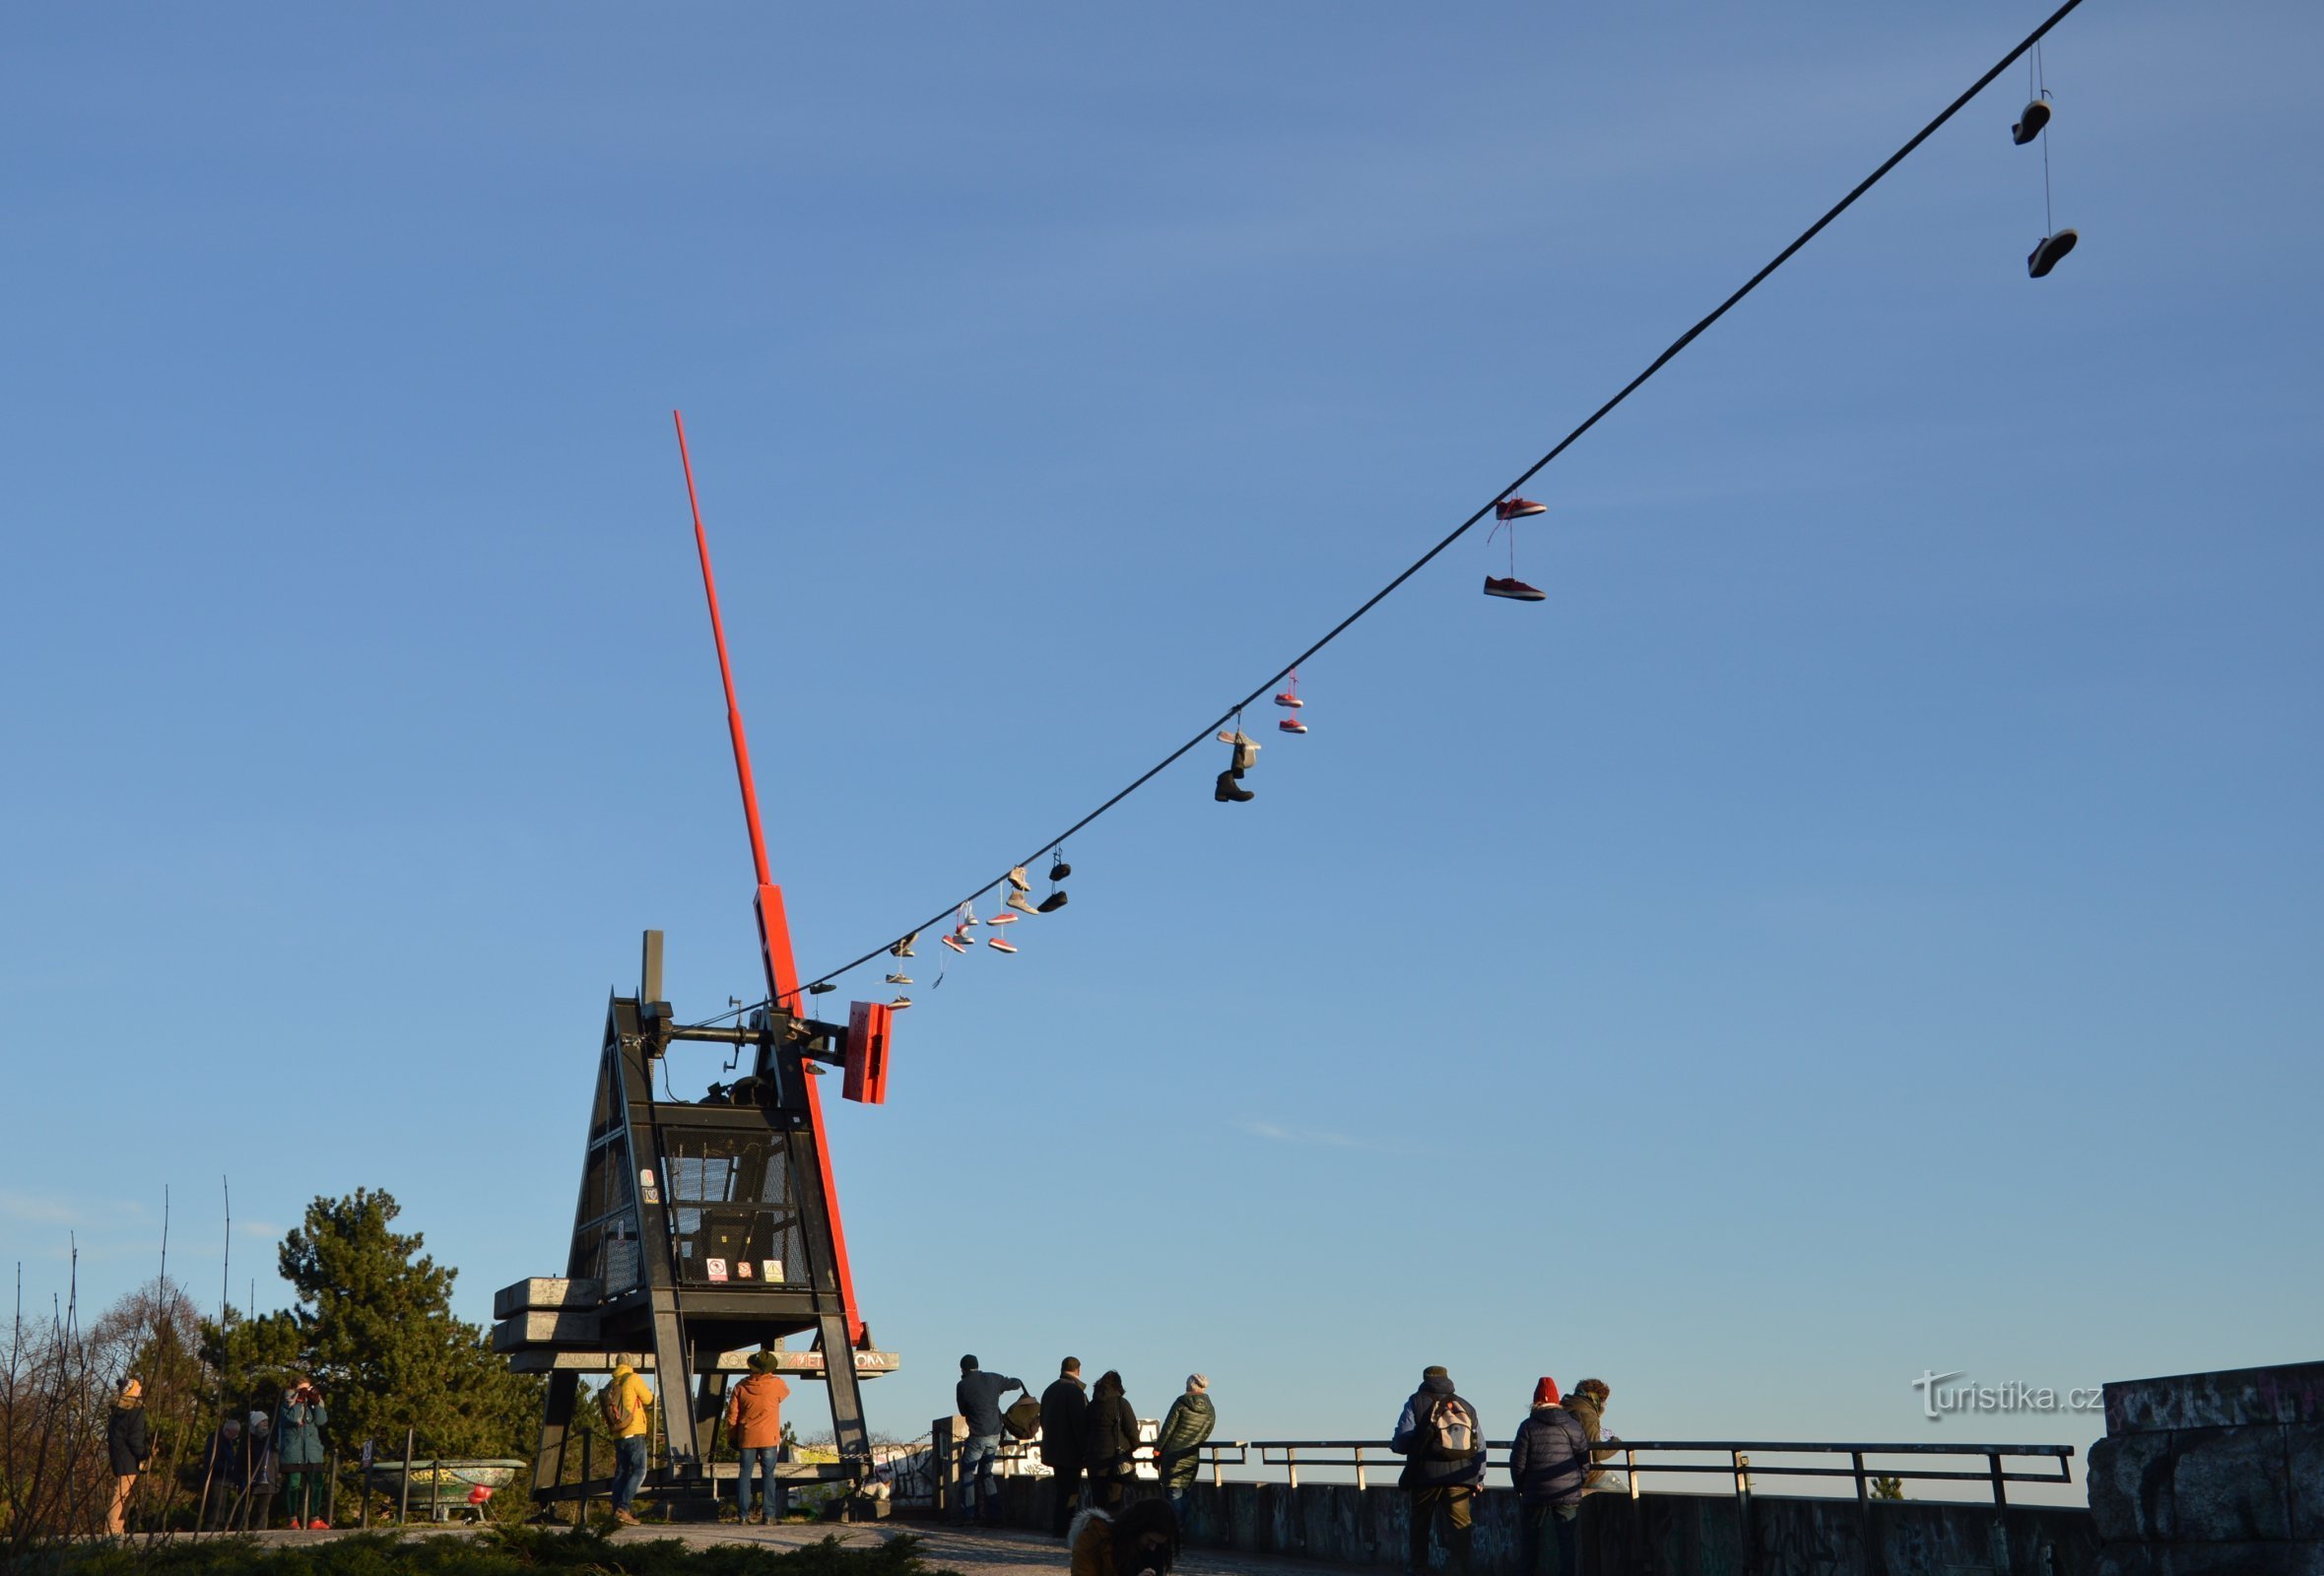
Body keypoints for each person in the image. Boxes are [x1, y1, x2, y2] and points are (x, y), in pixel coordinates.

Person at [1391, 1364, 1487, 1576]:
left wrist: (1398, 1446)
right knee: (1461, 1525)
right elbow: (1479, 1445)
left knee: (1420, 1523)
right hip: (1460, 1476)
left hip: (1425, 1475)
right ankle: (1460, 1568)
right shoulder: (1465, 1405)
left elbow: (1402, 1438)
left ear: (1425, 1378)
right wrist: (1478, 1477)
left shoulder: (1416, 1402)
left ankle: (1419, 1568)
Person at [1508, 1377, 1591, 1575]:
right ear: (1557, 1400)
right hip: (1566, 1491)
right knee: (1566, 1542)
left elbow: (1517, 1462)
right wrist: (1578, 1480)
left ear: (1536, 1401)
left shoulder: (1527, 1426)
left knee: (1530, 1541)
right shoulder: (1572, 1425)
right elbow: (1584, 1459)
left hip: (1535, 1491)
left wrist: (1521, 1487)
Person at [953, 1354, 1026, 1526]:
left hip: (977, 1436)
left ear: (962, 1369)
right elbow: (1016, 1383)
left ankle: (968, 1515)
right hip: (994, 1435)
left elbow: (963, 1411)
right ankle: (996, 1516)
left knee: (967, 1473)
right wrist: (1001, 1389)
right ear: (978, 1366)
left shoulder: (962, 1385)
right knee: (986, 1474)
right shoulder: (992, 1378)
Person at [725, 1351, 792, 1525]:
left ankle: (743, 1516)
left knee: (744, 1475)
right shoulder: (777, 1385)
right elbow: (784, 1394)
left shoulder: (740, 1387)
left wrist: (732, 1436)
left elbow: (732, 1415)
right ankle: (769, 1515)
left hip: (747, 1436)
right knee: (768, 1475)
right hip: (769, 1437)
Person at [1039, 1357, 1091, 1537]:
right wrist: (1085, 1450)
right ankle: (1065, 1530)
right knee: (1070, 1494)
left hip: (1052, 1451)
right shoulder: (1075, 1391)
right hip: (1071, 1453)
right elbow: (1080, 1425)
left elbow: (1042, 1420)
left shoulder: (1050, 1390)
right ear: (1078, 1370)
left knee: (1062, 1491)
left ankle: (1059, 1528)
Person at [1069, 1495, 1179, 1576]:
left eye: (1157, 1544)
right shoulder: (1093, 1537)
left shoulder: (1153, 1552)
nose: (1152, 1547)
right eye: (1150, 1540)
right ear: (1137, 1528)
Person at [604, 1361, 656, 1525]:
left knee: (621, 1472)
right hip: (634, 1432)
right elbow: (648, 1399)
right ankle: (624, 1508)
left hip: (618, 1435)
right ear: (629, 1363)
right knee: (640, 1470)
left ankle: (616, 1511)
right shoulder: (633, 1378)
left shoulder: (612, 1382)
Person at [1156, 1374, 1215, 1515]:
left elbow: (1168, 1428)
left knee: (1173, 1496)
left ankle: (1177, 1531)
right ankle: (1182, 1530)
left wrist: (1157, 1450)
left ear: (1189, 1385)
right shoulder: (1210, 1408)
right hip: (1192, 1456)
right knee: (1185, 1494)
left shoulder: (1181, 1403)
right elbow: (1208, 1429)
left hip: (1172, 1456)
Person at [1083, 1369, 1140, 1514]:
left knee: (1098, 1503)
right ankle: (1111, 1533)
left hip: (1093, 1460)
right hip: (1114, 1462)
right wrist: (1132, 1447)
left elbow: (1084, 1430)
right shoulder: (1121, 1404)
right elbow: (1132, 1432)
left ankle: (1098, 1533)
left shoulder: (1091, 1405)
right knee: (1114, 1502)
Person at [276, 1376, 330, 1529]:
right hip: (294, 1451)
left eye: (308, 1388)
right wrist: (299, 1401)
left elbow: (321, 1421)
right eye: (302, 1389)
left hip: (313, 1452)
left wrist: (316, 1402)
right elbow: (292, 1418)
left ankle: (315, 1518)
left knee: (317, 1486)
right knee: (293, 1485)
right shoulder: (288, 1404)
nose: (306, 1392)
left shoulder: (314, 1404)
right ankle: (292, 1519)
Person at [104, 1376, 150, 1535]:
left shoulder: (117, 1412)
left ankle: (117, 1529)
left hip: (118, 1457)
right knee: (121, 1496)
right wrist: (144, 1455)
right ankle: (111, 1530)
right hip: (130, 1459)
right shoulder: (136, 1412)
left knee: (124, 1496)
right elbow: (136, 1438)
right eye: (138, 1388)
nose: (140, 1391)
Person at [1561, 1378, 1619, 1491]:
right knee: (1628, 1497)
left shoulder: (1564, 1408)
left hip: (1564, 1471)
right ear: (1597, 1399)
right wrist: (1616, 1443)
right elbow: (1597, 1453)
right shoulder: (1587, 1415)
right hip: (1589, 1474)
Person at [199, 1414, 246, 1530]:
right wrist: (229, 1467)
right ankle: (210, 1532)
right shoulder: (215, 1441)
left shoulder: (227, 1442)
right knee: (214, 1512)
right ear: (226, 1430)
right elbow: (211, 1462)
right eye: (233, 1434)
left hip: (226, 1480)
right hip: (216, 1479)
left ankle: (218, 1531)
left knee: (221, 1512)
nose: (234, 1437)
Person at [243, 1410, 279, 1530]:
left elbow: (275, 1460)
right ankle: (243, 1531)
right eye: (262, 1421)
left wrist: (277, 1478)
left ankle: (261, 1533)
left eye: (266, 1421)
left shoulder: (271, 1440)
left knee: (263, 1511)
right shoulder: (248, 1441)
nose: (265, 1423)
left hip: (268, 1479)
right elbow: (241, 1461)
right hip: (251, 1478)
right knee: (245, 1510)